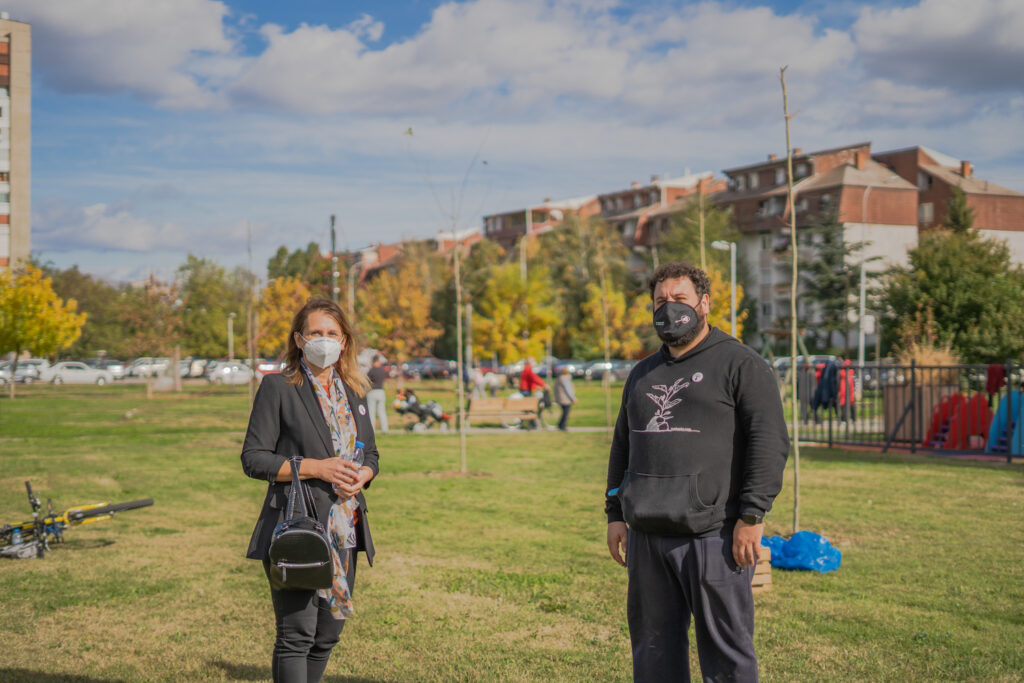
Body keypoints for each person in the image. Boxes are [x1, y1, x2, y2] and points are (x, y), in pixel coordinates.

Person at [605, 261, 789, 682]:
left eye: (680, 300)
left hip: (714, 536)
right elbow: (623, 445)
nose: (669, 310)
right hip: (647, 538)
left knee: (727, 657)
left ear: (704, 304)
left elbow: (769, 443)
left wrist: (752, 516)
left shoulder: (741, 364)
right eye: (660, 302)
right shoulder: (642, 373)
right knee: (653, 653)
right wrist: (615, 513)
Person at [241, 298, 380, 683]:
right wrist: (317, 468)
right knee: (296, 636)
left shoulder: (355, 391)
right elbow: (254, 459)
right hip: (298, 526)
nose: (324, 340)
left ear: (345, 340)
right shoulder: (279, 387)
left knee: (327, 635)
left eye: (332, 333)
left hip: (344, 530)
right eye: (315, 333)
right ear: (299, 340)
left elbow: (371, 453)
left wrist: (364, 474)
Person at [366, 355, 390, 434]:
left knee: (371, 412)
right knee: (382, 411)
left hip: (372, 392)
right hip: (381, 392)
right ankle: (385, 429)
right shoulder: (382, 370)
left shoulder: (371, 370)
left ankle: (372, 429)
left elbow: (367, 381)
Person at [553, 366, 577, 431]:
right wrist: (573, 398)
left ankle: (560, 424)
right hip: (565, 399)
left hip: (560, 398)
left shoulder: (559, 378)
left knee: (564, 412)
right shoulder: (565, 379)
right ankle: (562, 425)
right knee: (566, 412)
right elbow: (568, 389)